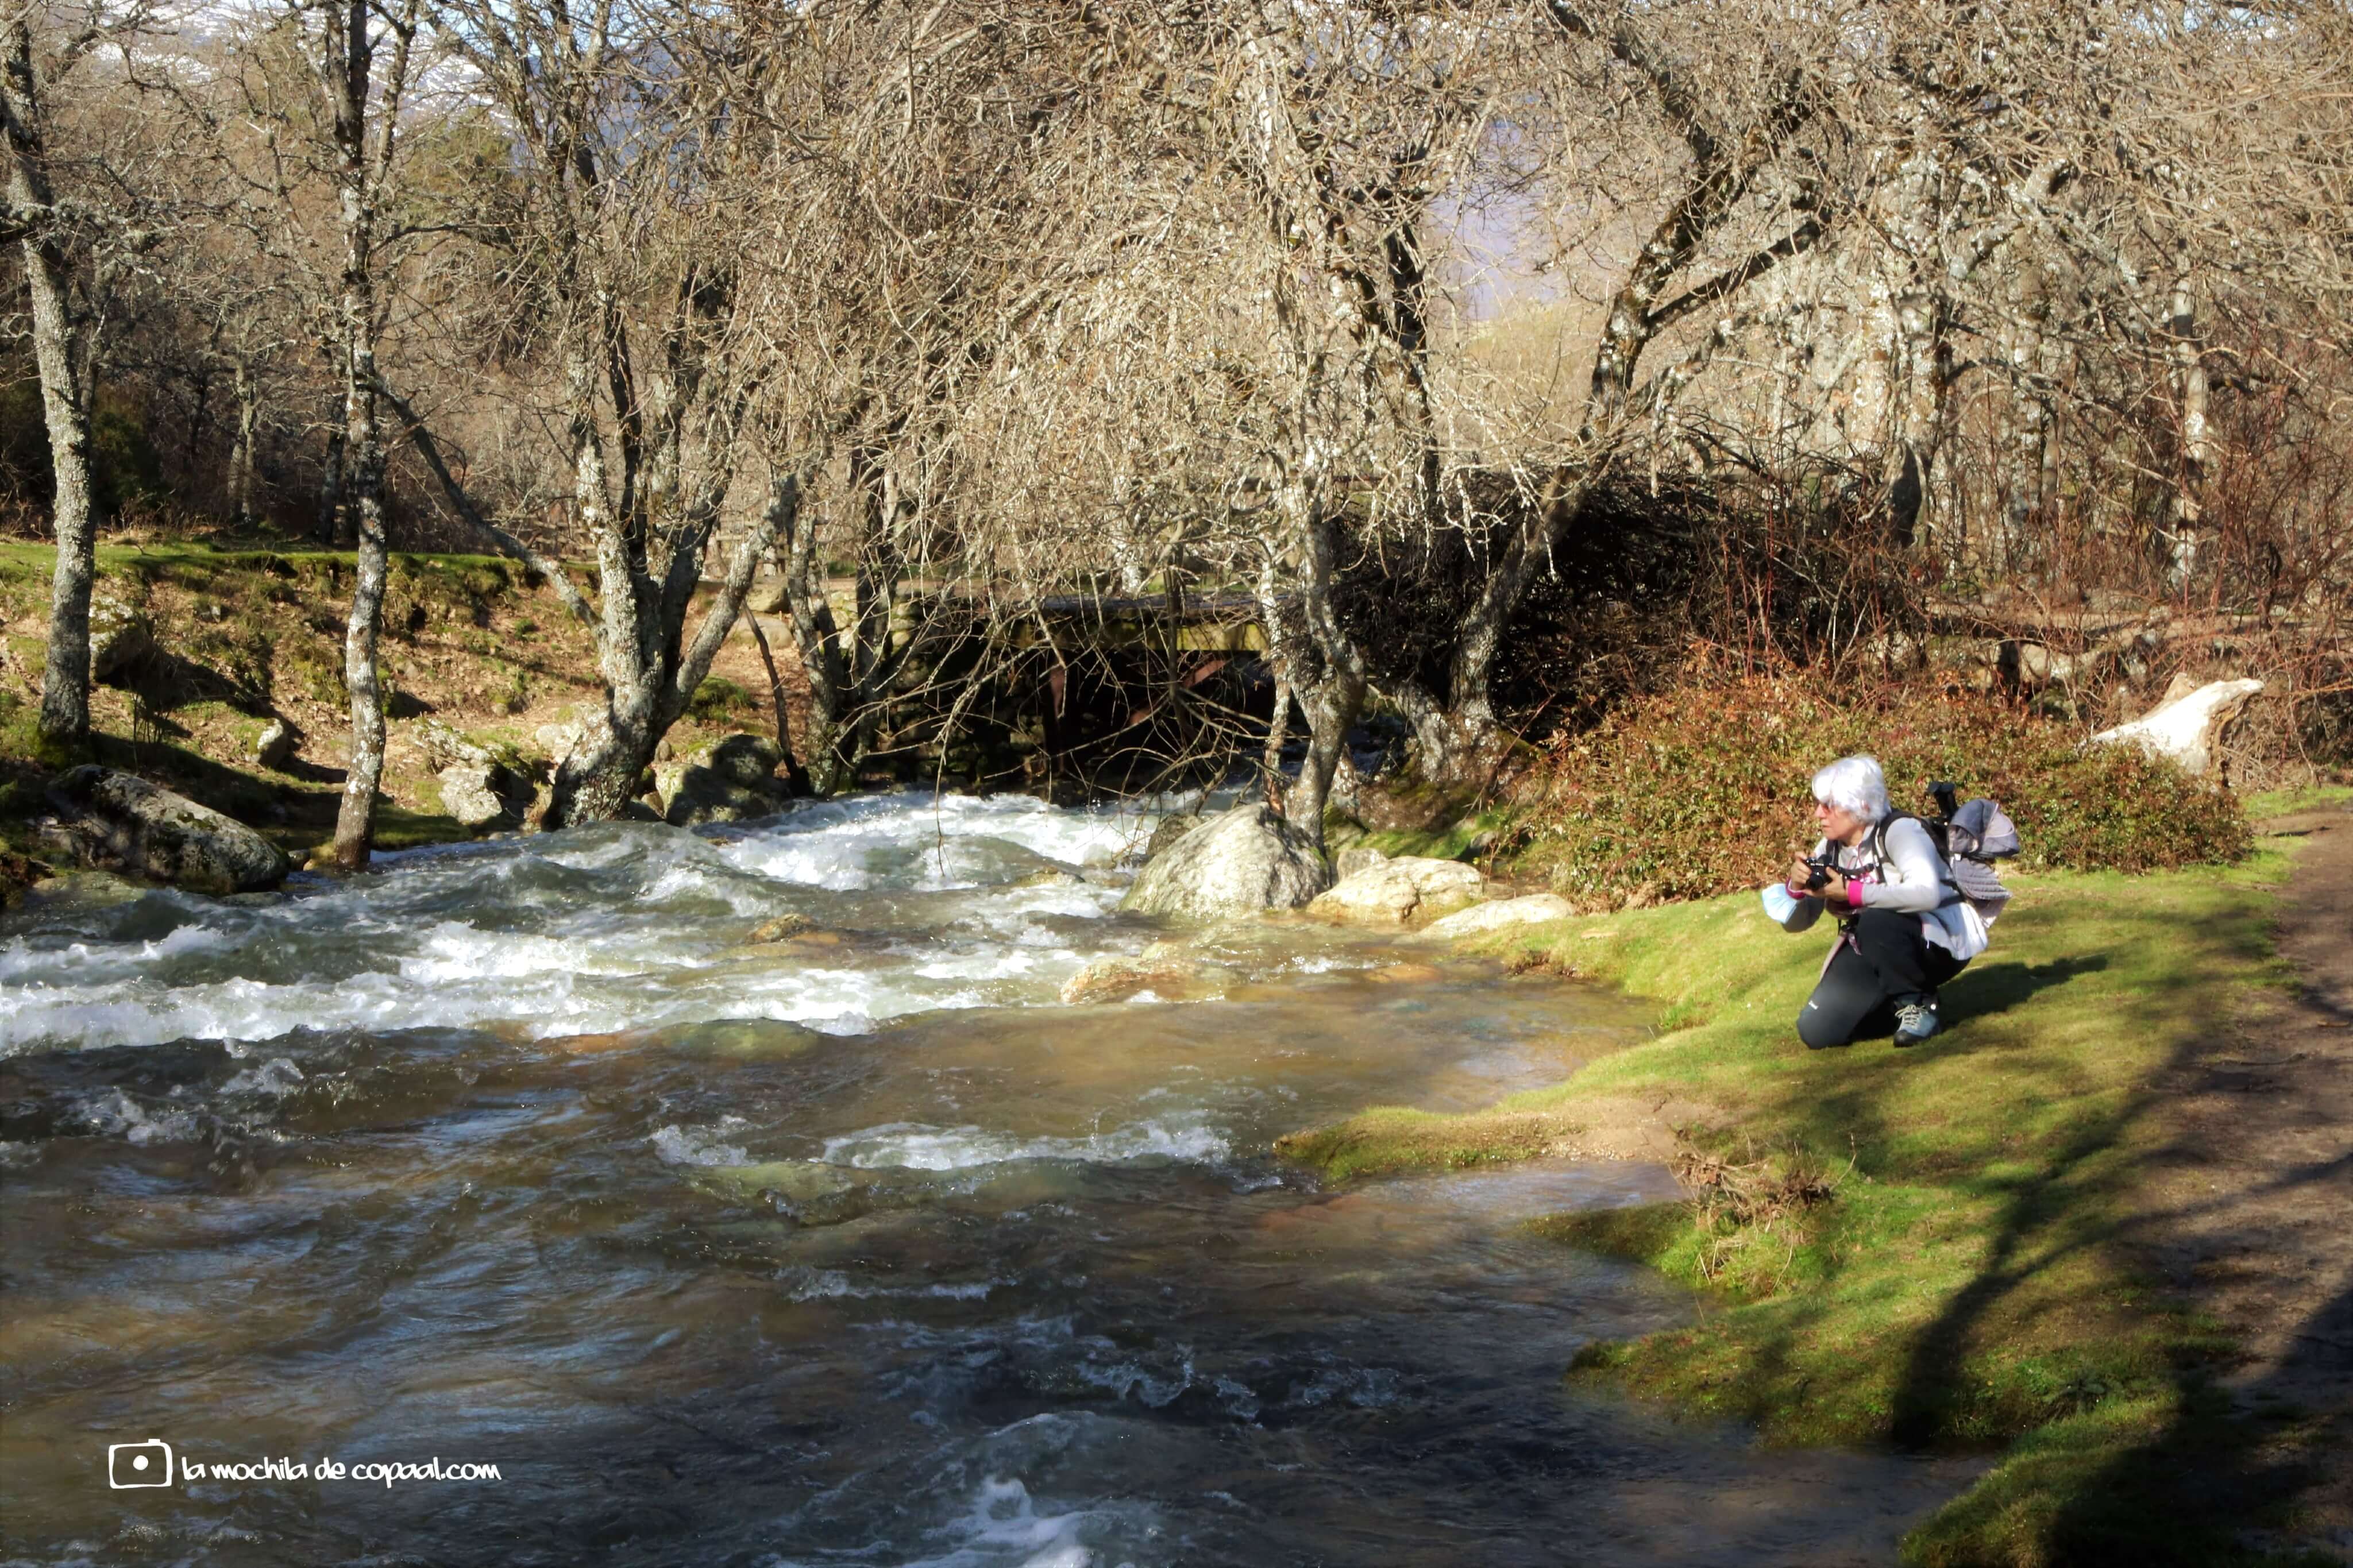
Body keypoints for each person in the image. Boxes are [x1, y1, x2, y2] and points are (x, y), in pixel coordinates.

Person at [1769, 755, 1984, 1049]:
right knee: (1817, 1031)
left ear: (1862, 805)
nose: (1818, 814)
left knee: (1876, 920)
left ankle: (1919, 1006)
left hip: (1939, 939)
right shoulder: (1829, 848)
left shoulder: (1900, 830)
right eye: (1819, 804)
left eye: (1828, 805)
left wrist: (1853, 893)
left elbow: (1927, 893)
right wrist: (1795, 887)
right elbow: (1797, 925)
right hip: (1876, 944)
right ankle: (1898, 1006)